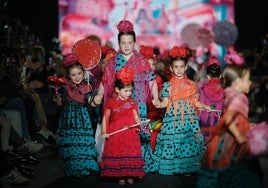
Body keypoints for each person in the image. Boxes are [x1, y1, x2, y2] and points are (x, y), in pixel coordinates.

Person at [94, 20, 160, 173]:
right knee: (121, 134)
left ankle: (138, 164)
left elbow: (151, 81)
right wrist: (99, 94)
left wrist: (155, 98)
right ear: (118, 43)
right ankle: (121, 166)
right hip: (119, 105)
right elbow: (105, 81)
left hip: (138, 104)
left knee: (137, 132)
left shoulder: (141, 60)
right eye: (123, 42)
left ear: (134, 42)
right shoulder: (113, 62)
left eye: (129, 42)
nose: (126, 45)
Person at [197, 64, 263, 187]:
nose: (250, 83)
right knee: (242, 171)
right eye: (247, 79)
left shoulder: (229, 94)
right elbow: (227, 119)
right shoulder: (239, 97)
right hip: (233, 142)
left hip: (226, 139)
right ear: (237, 82)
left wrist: (247, 125)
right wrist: (239, 136)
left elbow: (235, 118)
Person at [153, 45, 211, 176]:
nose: (179, 69)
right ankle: (176, 166)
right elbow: (165, 103)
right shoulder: (168, 85)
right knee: (176, 142)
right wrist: (158, 103)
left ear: (185, 67)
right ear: (171, 68)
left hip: (189, 120)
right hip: (173, 120)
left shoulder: (191, 84)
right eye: (176, 67)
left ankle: (187, 167)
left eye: (181, 66)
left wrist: (205, 106)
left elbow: (195, 102)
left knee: (187, 142)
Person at [56, 53, 99, 177]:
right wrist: (59, 101)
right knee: (71, 144)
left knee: (82, 142)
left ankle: (85, 167)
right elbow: (62, 102)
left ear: (83, 73)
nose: (76, 77)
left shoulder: (86, 87)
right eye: (73, 75)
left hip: (82, 120)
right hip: (68, 120)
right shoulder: (65, 87)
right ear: (68, 75)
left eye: (79, 74)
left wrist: (96, 100)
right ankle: (73, 167)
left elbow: (91, 101)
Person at [100, 67, 145, 185]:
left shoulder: (132, 102)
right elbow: (106, 118)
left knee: (129, 152)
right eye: (126, 91)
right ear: (117, 90)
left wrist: (140, 124)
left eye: (130, 91)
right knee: (118, 152)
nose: (129, 93)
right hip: (117, 131)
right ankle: (120, 175)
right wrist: (104, 131)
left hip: (130, 132)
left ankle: (130, 173)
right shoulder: (111, 102)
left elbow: (136, 116)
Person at [198, 57, 224, 143]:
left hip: (205, 124)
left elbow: (199, 109)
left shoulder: (202, 90)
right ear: (220, 75)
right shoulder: (224, 91)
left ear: (208, 76)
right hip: (219, 124)